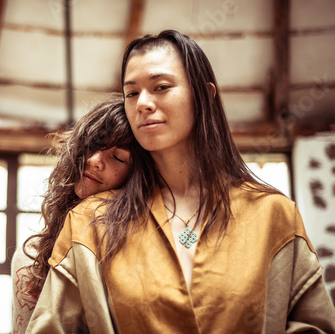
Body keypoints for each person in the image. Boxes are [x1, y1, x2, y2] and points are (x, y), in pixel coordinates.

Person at [26, 30, 335, 333]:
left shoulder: (274, 215)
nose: (143, 103)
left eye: (161, 86)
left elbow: (314, 325)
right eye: (131, 93)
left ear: (205, 95)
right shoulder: (89, 222)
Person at [11, 93, 154, 334]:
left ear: (137, 179)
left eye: (118, 157)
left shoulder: (146, 250)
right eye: (94, 144)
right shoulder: (32, 258)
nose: (95, 160)